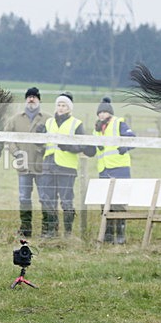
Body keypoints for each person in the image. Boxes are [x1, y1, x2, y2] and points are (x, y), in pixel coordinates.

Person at [38, 92, 96, 237]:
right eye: (59, 105)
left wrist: (68, 147)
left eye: (64, 105)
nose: (61, 108)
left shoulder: (76, 124)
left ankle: (68, 233)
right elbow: (40, 143)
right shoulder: (49, 122)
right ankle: (52, 230)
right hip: (49, 164)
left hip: (66, 167)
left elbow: (82, 145)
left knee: (66, 201)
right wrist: (37, 135)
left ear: (69, 108)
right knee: (47, 198)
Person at [4, 86, 49, 238]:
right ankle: (25, 228)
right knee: (24, 197)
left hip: (42, 166)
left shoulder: (48, 119)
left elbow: (53, 139)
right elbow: (8, 140)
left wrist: (44, 148)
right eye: (29, 96)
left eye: (34, 97)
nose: (31, 99)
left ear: (39, 100)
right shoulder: (15, 119)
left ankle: (48, 229)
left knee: (45, 197)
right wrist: (16, 153)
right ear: (25, 100)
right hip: (23, 167)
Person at [93, 97, 136, 243]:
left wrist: (125, 147)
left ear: (110, 113)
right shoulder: (97, 128)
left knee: (119, 201)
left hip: (119, 168)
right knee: (105, 203)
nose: (102, 115)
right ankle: (108, 233)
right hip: (104, 169)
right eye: (100, 113)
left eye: (105, 112)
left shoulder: (119, 123)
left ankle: (120, 234)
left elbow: (132, 138)